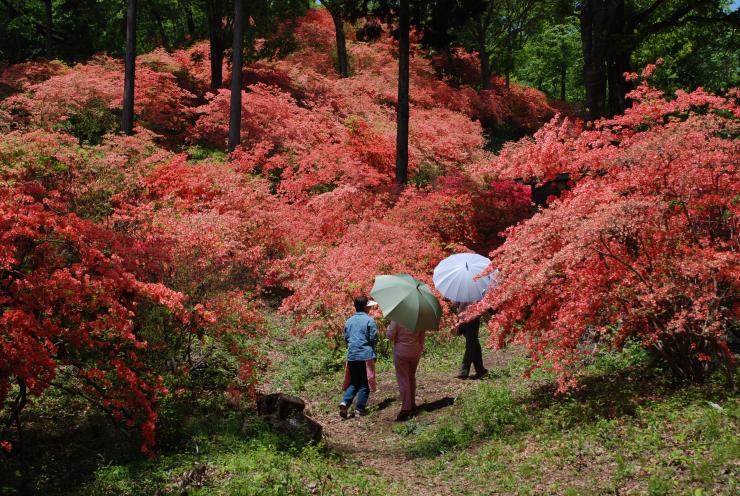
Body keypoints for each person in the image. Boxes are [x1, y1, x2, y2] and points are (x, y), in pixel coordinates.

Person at [339, 296, 379, 418]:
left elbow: (346, 338)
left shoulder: (349, 321)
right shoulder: (369, 320)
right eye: (369, 306)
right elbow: (374, 338)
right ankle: (359, 409)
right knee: (364, 384)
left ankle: (345, 402)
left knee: (354, 382)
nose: (370, 307)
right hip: (365, 356)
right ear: (365, 307)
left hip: (351, 356)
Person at [386, 320, 425, 421]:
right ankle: (412, 403)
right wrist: (420, 347)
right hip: (415, 350)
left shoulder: (397, 318)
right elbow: (422, 336)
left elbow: (390, 336)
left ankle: (406, 408)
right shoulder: (419, 318)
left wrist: (388, 328)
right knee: (411, 377)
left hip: (401, 351)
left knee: (403, 379)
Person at [456, 302, 487, 379]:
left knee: (472, 344)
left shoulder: (460, 291)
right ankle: (478, 370)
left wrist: (458, 318)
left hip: (464, 319)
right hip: (472, 319)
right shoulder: (476, 291)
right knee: (472, 344)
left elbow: (456, 304)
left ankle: (468, 371)